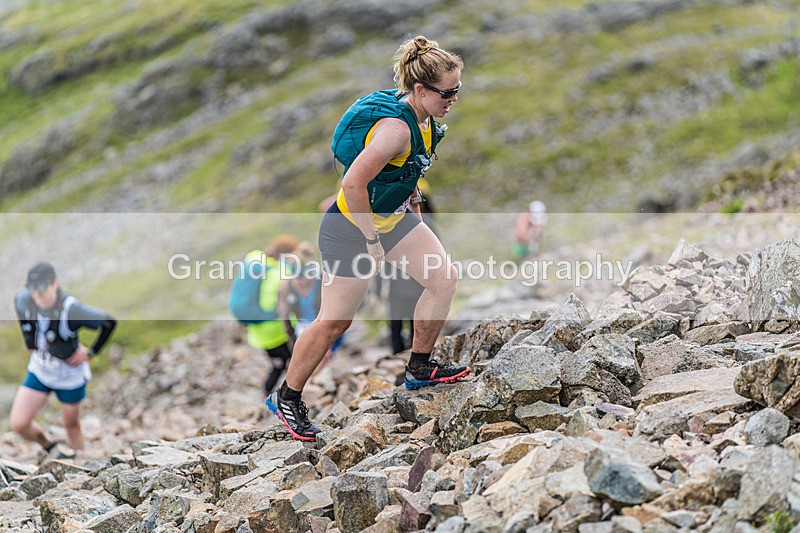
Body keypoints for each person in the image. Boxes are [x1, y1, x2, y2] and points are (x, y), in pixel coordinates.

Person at [266, 36, 470, 442]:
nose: (453, 99)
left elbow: (406, 173)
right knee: (336, 321)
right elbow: (353, 182)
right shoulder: (395, 129)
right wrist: (372, 240)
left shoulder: (428, 122)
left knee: (443, 278)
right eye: (446, 93)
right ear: (419, 90)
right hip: (349, 229)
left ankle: (419, 367)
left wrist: (412, 210)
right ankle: (286, 397)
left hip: (392, 221)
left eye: (457, 91)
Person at [9, 262, 117, 455]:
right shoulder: (24, 300)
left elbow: (109, 322)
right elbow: (20, 308)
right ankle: (50, 447)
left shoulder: (71, 310)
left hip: (69, 375)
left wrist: (91, 352)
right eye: (33, 288)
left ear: (55, 284)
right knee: (19, 423)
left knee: (71, 426)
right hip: (41, 370)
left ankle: (79, 468)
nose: (38, 293)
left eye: (42, 287)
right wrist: (29, 340)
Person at [240, 235, 300, 396]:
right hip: (274, 329)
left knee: (280, 361)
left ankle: (271, 392)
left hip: (257, 326)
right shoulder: (280, 272)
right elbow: (281, 303)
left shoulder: (255, 259)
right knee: (285, 360)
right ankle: (277, 394)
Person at [278, 242, 342, 373]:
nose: (299, 280)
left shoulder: (322, 281)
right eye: (295, 276)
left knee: (322, 359)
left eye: (301, 275)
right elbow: (284, 315)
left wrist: (328, 343)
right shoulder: (287, 286)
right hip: (303, 327)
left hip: (325, 325)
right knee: (305, 363)